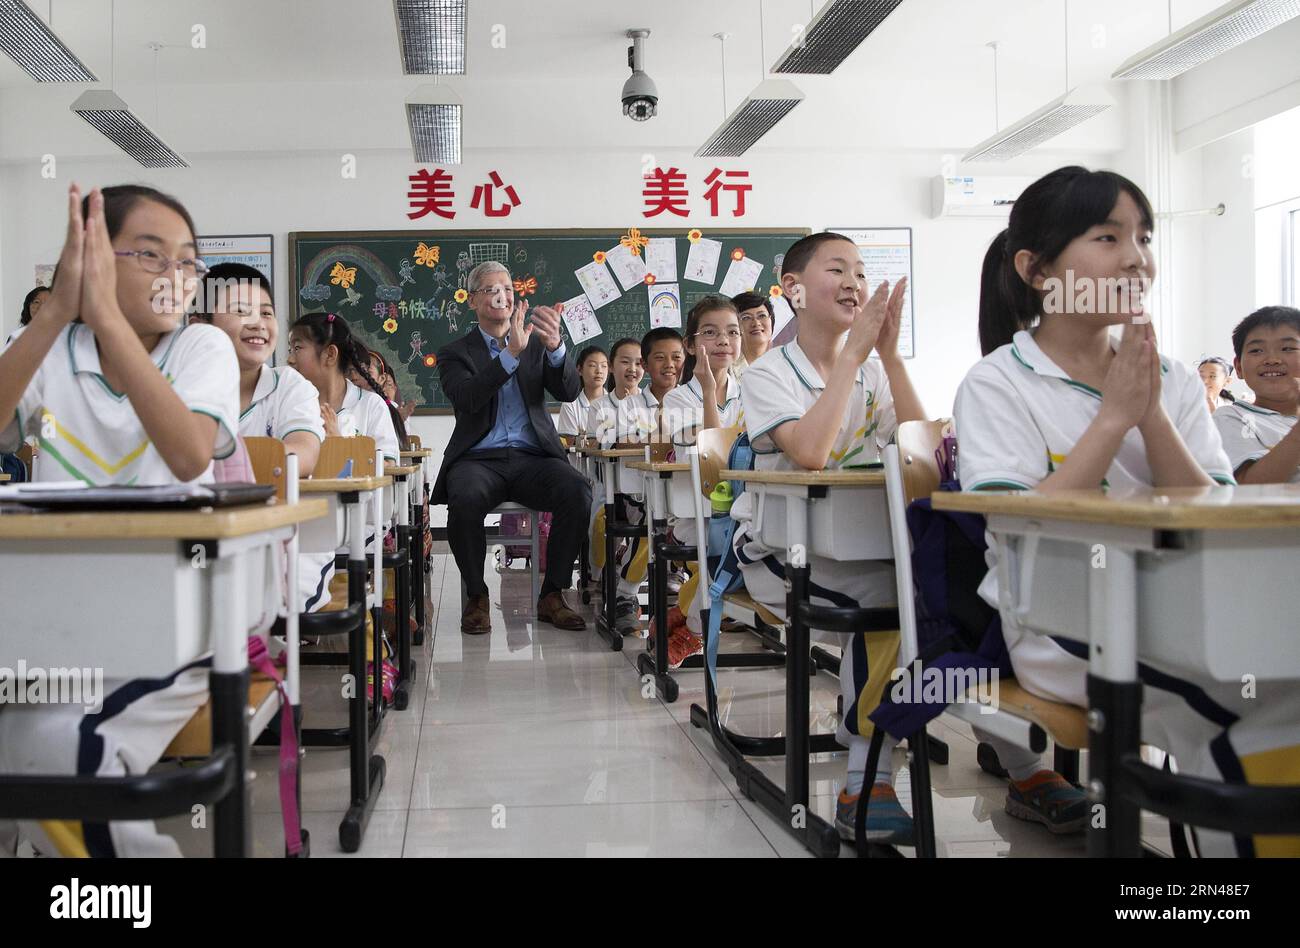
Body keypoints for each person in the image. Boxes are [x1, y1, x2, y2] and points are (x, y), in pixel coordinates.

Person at [957, 166, 1298, 856]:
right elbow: (1022, 526)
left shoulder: (1168, 374)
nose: (1137, 256)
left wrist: (1151, 415)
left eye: (1143, 236)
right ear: (1037, 269)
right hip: (1063, 621)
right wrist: (1113, 419)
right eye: (1108, 236)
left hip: (1182, 606)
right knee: (1244, 706)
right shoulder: (998, 379)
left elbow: (1208, 505)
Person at [0, 183, 239, 857]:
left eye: (188, 262)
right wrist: (56, 314)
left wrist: (105, 318)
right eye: (152, 256)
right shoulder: (46, 346)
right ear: (95, 260)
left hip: (166, 621)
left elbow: (190, 454)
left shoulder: (201, 351)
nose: (176, 277)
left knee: (53, 745)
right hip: (47, 622)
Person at [733, 232, 925, 845]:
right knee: (890, 605)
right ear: (792, 291)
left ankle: (1020, 764)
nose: (854, 283)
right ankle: (867, 776)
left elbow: (923, 458)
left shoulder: (872, 370)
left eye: (861, 273)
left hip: (863, 546)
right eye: (836, 269)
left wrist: (890, 359)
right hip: (781, 553)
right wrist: (852, 360)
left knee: (938, 591)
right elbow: (812, 453)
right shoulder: (768, 374)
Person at [433, 260, 592, 635]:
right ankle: (476, 595)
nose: (501, 296)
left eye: (506, 288)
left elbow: (569, 391)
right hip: (478, 459)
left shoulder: (536, 344)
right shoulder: (455, 352)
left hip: (532, 457)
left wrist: (555, 348)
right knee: (465, 497)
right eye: (490, 290)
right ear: (472, 300)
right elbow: (467, 398)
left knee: (577, 490)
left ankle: (553, 594)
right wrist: (508, 357)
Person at [1212, 306, 1300, 484]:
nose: (1272, 359)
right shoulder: (1232, 418)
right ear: (1238, 367)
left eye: (1288, 348)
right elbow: (1248, 487)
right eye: (1256, 351)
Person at [556, 344, 608, 438]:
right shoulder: (570, 405)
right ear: (579, 370)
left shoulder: (616, 402)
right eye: (592, 365)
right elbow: (569, 444)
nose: (599, 371)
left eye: (604, 366)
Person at [730, 290, 774, 377]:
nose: (756, 323)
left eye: (762, 315)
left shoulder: (785, 367)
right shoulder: (724, 370)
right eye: (746, 317)